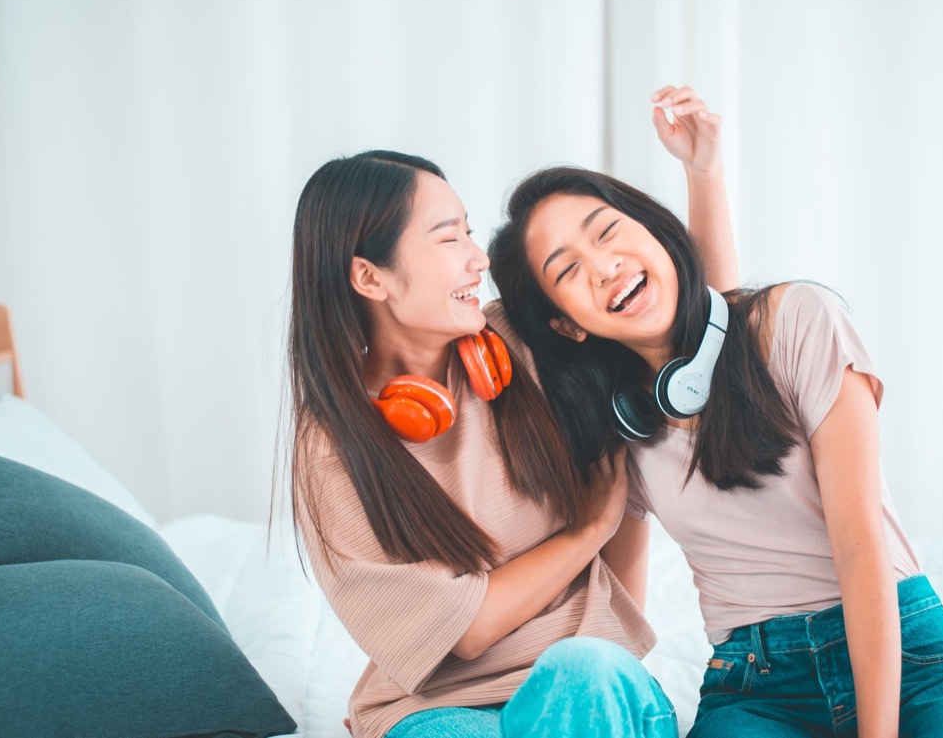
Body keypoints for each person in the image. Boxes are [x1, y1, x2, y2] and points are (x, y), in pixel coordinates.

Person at [486, 162, 943, 736]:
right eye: (567, 270)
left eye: (606, 231)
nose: (603, 266)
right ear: (567, 326)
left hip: (907, 652)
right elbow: (622, 620)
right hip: (754, 684)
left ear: (653, 230)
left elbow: (861, 546)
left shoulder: (798, 320)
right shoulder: (624, 432)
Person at [284, 87, 729, 738]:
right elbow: (467, 629)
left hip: (588, 685)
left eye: (468, 229)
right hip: (437, 711)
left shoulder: (523, 341)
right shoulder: (331, 449)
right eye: (448, 237)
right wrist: (591, 528)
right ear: (370, 278)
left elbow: (692, 335)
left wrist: (704, 171)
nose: (479, 256)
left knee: (583, 671)